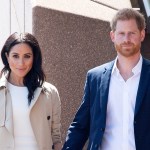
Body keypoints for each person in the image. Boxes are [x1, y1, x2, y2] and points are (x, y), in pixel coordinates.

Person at [62, 8, 149, 150]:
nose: (126, 39)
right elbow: (81, 126)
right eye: (121, 33)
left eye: (132, 33)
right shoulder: (95, 78)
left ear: (142, 34)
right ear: (112, 36)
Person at [0, 32, 62, 150]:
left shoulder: (50, 92)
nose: (21, 63)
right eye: (15, 56)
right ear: (7, 56)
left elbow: (56, 137)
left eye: (27, 56)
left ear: (34, 58)